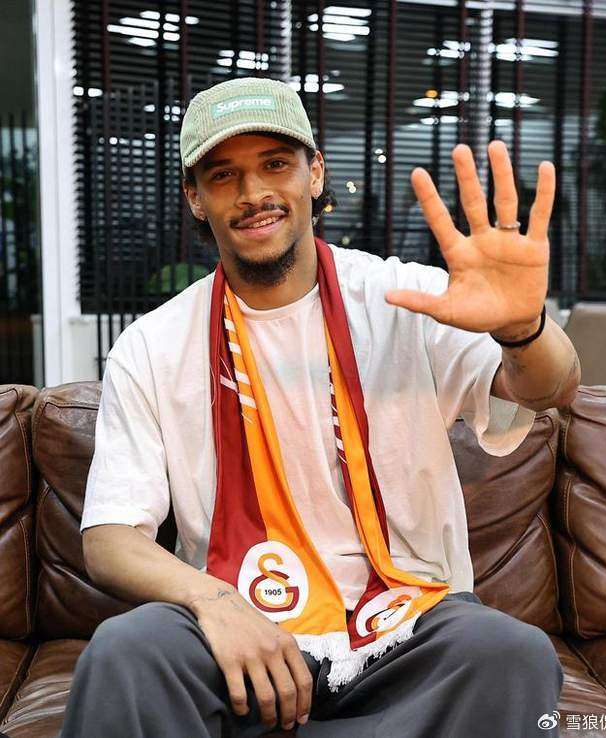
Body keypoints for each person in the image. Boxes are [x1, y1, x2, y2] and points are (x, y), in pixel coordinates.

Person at [59, 77, 579, 738]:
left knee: (512, 656)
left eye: (276, 164)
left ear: (315, 173)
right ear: (195, 197)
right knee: (125, 653)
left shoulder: (405, 297)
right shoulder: (151, 347)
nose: (253, 193)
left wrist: (523, 328)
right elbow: (109, 539)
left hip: (405, 624)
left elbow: (549, 389)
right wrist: (213, 601)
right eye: (223, 175)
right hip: (240, 636)